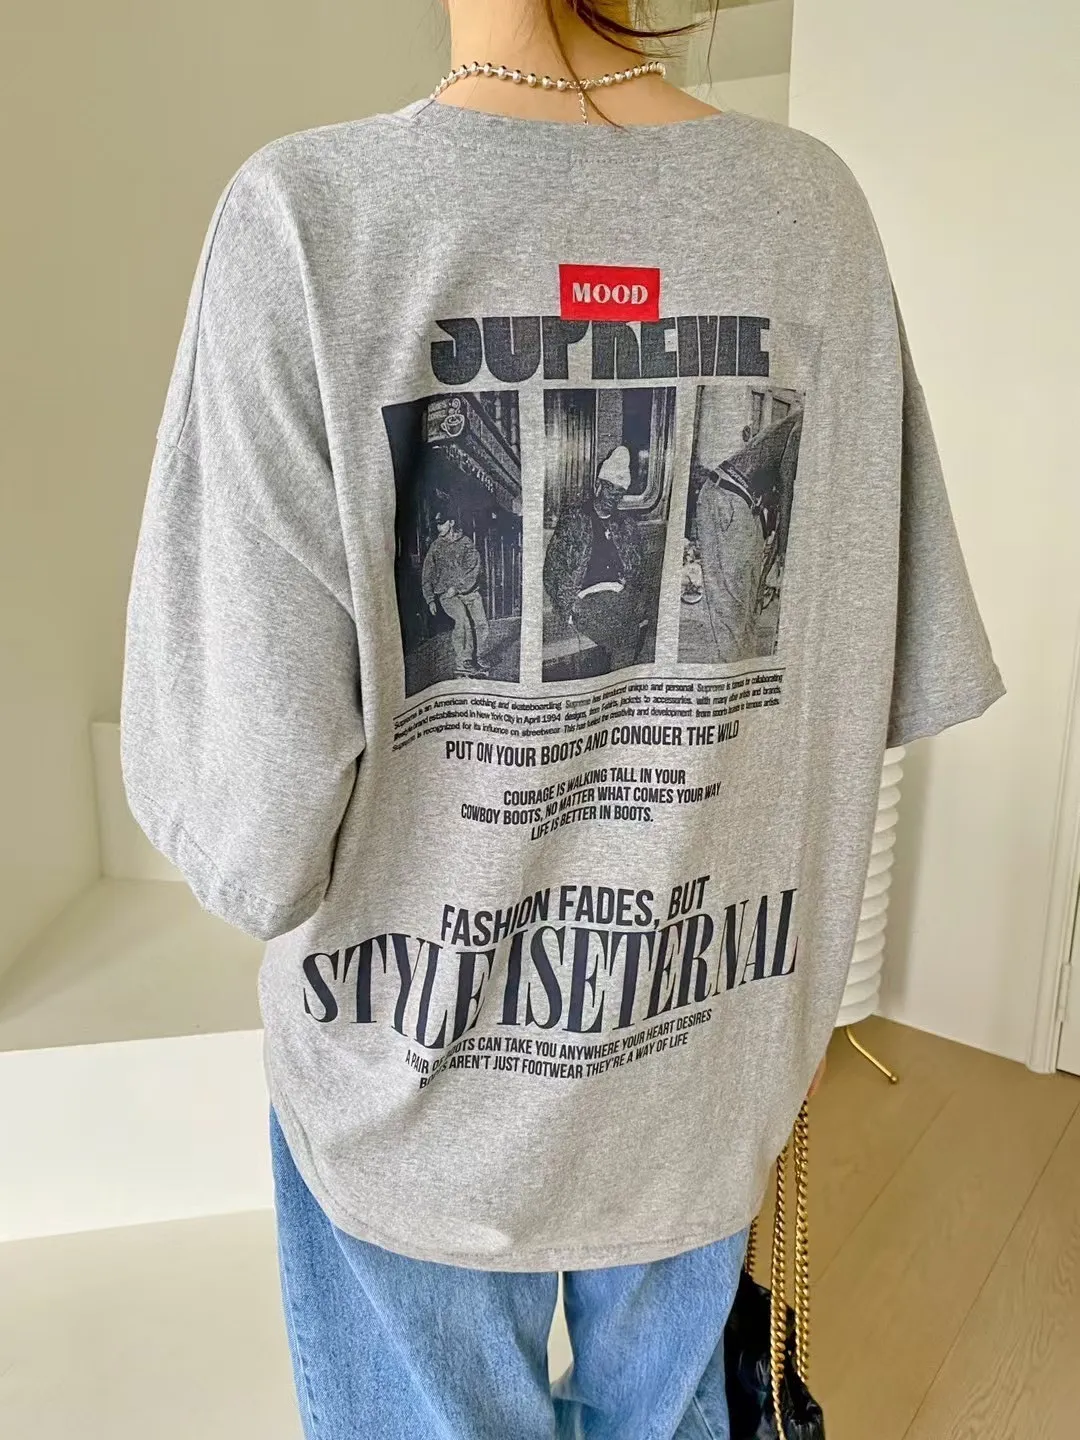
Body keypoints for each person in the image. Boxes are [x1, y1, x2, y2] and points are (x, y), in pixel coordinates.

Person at [120, 1, 1005, 1436]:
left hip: (409, 1075)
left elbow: (252, 837)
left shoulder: (308, 219)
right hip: (711, 1058)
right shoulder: (812, 214)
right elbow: (880, 680)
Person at [544, 443, 647, 670]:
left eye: (619, 492)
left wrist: (630, 591)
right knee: (624, 636)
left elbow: (638, 570)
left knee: (632, 627)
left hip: (618, 594)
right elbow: (552, 569)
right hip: (585, 597)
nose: (613, 496)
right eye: (609, 488)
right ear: (598, 485)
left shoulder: (626, 525)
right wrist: (569, 605)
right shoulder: (575, 519)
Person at [421, 510, 490, 677]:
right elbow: (427, 574)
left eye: (442, 523)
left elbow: (473, 569)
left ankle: (477, 657)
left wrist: (458, 587)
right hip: (447, 595)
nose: (439, 528)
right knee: (463, 621)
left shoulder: (466, 543)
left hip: (469, 591)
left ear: (451, 523)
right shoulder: (436, 547)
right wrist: (430, 599)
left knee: (481, 625)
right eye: (437, 525)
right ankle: (464, 661)